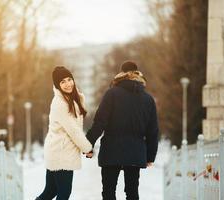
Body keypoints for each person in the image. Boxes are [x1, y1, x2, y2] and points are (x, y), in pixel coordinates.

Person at [86, 61, 159, 200]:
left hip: (111, 150)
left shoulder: (111, 94)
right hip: (135, 151)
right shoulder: (148, 99)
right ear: (138, 75)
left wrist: (88, 144)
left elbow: (100, 122)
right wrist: (150, 156)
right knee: (132, 192)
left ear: (121, 74)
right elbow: (153, 130)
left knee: (108, 191)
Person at [36, 66, 93, 200]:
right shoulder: (60, 103)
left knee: (49, 192)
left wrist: (79, 98)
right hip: (61, 153)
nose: (68, 84)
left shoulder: (71, 99)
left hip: (57, 151)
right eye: (63, 82)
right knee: (63, 193)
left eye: (69, 79)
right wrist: (87, 148)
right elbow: (74, 130)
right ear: (57, 85)